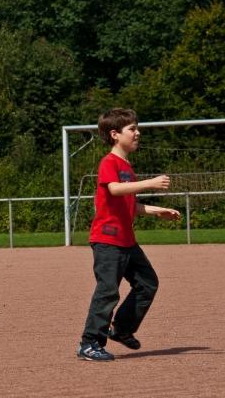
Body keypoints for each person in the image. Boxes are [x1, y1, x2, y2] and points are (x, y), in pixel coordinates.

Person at [77, 108, 181, 361]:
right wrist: (150, 183)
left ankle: (121, 330)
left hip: (126, 240)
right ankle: (90, 343)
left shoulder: (126, 166)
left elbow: (129, 203)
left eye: (137, 127)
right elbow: (113, 190)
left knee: (147, 284)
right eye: (132, 129)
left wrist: (158, 210)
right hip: (107, 240)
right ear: (115, 134)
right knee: (108, 291)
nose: (138, 133)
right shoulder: (109, 163)